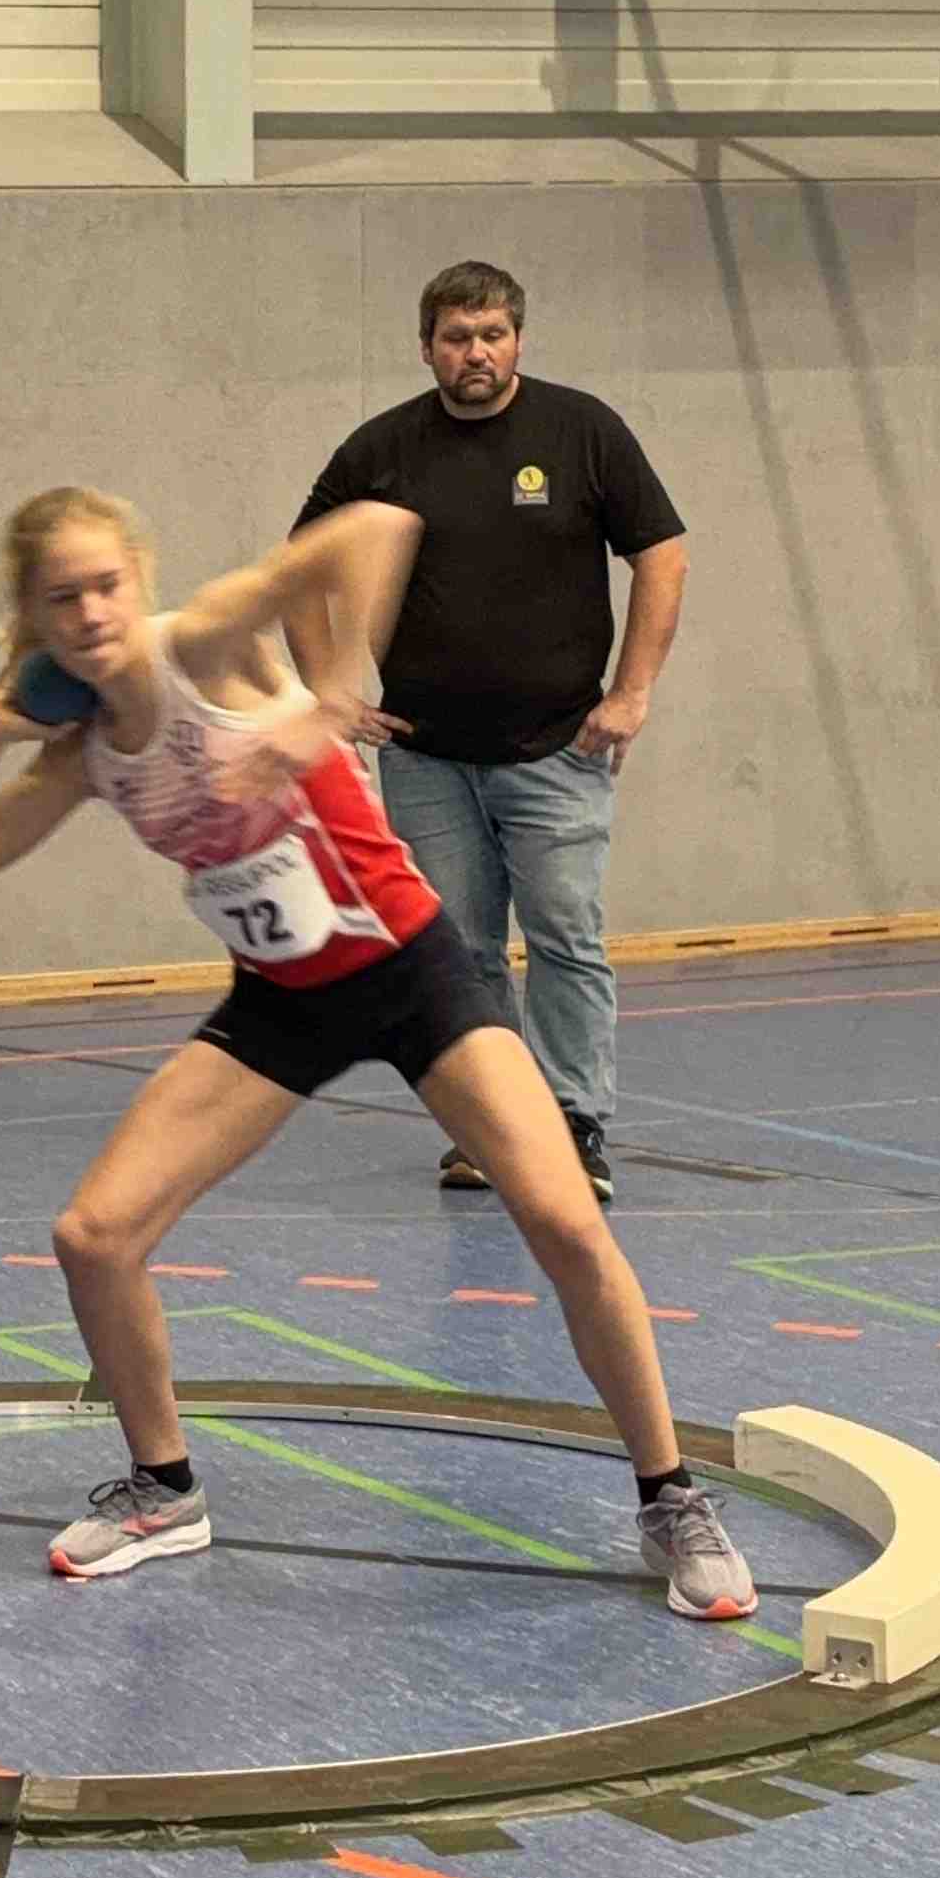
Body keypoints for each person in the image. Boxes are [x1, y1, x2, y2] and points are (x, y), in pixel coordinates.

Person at [0, 483, 753, 1614]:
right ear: (33, 615)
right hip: (282, 1001)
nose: (94, 612)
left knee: (562, 1220)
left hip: (413, 974)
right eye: (64, 598)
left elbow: (378, 527)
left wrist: (333, 698)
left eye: (107, 584)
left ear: (140, 580)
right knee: (94, 1237)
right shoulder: (82, 754)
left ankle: (670, 1496)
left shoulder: (202, 646)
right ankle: (165, 1490)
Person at [292, 259, 686, 1207]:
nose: (476, 352)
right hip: (427, 758)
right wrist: (328, 693)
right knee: (461, 954)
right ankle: (496, 1131)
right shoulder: (384, 449)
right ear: (427, 347)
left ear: (518, 340)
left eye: (493, 335)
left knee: (564, 936)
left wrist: (631, 692)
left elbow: (662, 553)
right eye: (457, 337)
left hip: (558, 751)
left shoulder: (582, 431)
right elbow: (301, 566)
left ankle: (574, 1125)